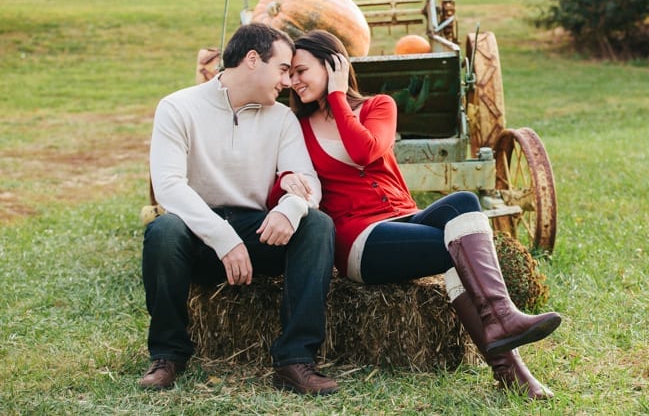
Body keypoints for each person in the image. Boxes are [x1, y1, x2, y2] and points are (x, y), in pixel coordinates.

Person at [288, 29, 562, 400]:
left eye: (301, 70)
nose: (293, 80)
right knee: (458, 249)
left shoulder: (378, 106)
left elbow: (366, 147)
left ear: (333, 64)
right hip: (358, 240)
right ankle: (508, 351)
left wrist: (338, 95)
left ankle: (504, 331)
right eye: (289, 73)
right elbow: (354, 156)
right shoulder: (298, 128)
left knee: (464, 201)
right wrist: (333, 98)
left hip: (405, 216)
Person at [140, 23, 338, 396]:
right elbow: (168, 187)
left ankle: (295, 359)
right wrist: (222, 238)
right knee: (163, 232)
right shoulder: (177, 107)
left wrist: (290, 208)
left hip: (256, 233)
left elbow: (307, 182)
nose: (287, 81)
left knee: (317, 225)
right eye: (282, 69)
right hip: (197, 233)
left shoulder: (281, 119)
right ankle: (168, 353)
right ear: (252, 60)